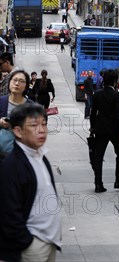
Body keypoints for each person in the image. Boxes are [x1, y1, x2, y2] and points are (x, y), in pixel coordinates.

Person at [0, 103, 62, 262]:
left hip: (50, 242)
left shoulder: (41, 157)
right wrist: (27, 242)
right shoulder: (11, 167)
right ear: (18, 131)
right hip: (32, 248)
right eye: (34, 125)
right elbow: (8, 213)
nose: (41, 130)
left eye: (44, 124)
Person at [90, 69, 119, 193]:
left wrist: (93, 127)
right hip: (114, 130)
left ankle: (98, 183)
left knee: (98, 156)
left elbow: (93, 113)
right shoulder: (116, 95)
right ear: (114, 81)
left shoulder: (97, 94)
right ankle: (118, 181)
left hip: (100, 129)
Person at [0, 70, 33, 159]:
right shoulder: (1, 101)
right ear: (9, 82)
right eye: (14, 80)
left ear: (26, 86)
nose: (17, 83)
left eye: (21, 81)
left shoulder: (32, 107)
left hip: (23, 154)